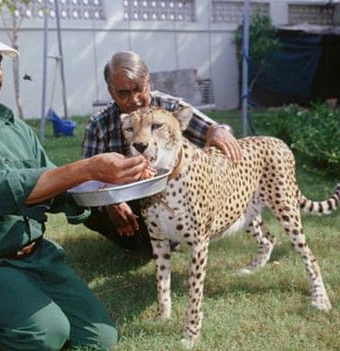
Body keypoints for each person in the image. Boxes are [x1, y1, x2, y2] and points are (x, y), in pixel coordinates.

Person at [0, 13, 150, 351]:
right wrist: (86, 167)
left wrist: (108, 193)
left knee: (101, 337)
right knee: (45, 334)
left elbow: (53, 186)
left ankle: (20, 311)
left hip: (36, 256)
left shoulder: (15, 128)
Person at [82, 51, 242, 252]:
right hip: (128, 198)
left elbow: (211, 128)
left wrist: (219, 131)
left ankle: (166, 235)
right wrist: (110, 202)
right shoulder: (98, 125)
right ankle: (143, 239)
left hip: (174, 196)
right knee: (88, 212)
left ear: (148, 82)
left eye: (139, 89)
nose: (135, 99)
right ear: (111, 92)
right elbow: (87, 177)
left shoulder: (170, 108)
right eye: (124, 93)